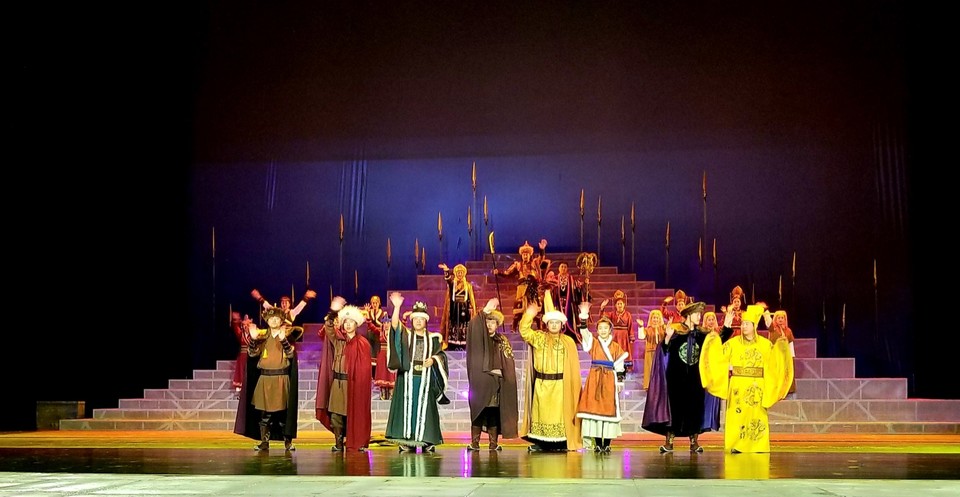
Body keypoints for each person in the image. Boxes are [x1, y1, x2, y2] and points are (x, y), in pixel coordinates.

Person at [700, 304, 794, 453]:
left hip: (757, 386)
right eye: (743, 324)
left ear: (754, 326)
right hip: (738, 385)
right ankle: (736, 444)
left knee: (756, 416)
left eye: (747, 324)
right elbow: (718, 357)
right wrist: (712, 341)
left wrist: (782, 347)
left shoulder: (765, 345)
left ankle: (758, 445)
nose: (743, 326)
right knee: (737, 416)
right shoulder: (733, 343)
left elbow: (774, 362)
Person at [641, 300, 732, 453]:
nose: (699, 317)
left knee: (695, 408)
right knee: (674, 408)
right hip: (676, 378)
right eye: (697, 314)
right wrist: (667, 338)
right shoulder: (676, 331)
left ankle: (694, 441)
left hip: (696, 378)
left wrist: (727, 327)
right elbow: (664, 350)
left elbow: (716, 343)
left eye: (700, 314)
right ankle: (669, 441)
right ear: (689, 315)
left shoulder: (702, 334)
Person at [518, 289, 583, 452]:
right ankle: (541, 443)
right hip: (542, 384)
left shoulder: (568, 342)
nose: (554, 325)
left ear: (562, 325)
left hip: (560, 385)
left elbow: (573, 367)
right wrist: (529, 314)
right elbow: (524, 331)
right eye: (551, 323)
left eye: (557, 323)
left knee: (560, 415)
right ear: (547, 325)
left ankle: (561, 443)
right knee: (541, 414)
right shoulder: (539, 337)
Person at [384, 292, 449, 453]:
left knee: (426, 411)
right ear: (412, 321)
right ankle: (407, 441)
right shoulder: (406, 335)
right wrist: (397, 307)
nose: (418, 321)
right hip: (407, 379)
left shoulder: (433, 339)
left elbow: (441, 355)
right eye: (416, 319)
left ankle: (427, 440)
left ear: (426, 321)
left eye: (421, 319)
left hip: (425, 381)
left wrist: (433, 359)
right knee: (407, 410)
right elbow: (394, 327)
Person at [233, 306, 303, 452]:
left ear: (281, 320)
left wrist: (283, 340)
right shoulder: (262, 337)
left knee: (283, 414)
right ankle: (264, 442)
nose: (274, 321)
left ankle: (287, 442)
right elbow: (252, 354)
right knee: (264, 415)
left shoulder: (288, 335)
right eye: (271, 319)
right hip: (265, 379)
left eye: (277, 318)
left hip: (281, 379)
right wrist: (253, 340)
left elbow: (291, 355)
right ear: (267, 320)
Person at [315, 296, 373, 452]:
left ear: (356, 324)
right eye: (345, 322)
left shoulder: (363, 344)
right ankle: (339, 443)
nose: (347, 325)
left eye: (351, 322)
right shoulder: (338, 340)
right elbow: (328, 328)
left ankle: (356, 440)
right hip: (337, 383)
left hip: (353, 384)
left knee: (353, 414)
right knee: (336, 415)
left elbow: (365, 369)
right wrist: (333, 312)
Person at [465, 297, 519, 451]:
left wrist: (502, 374)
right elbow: (473, 325)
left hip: (495, 384)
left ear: (497, 325)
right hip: (479, 384)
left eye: (493, 322)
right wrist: (485, 311)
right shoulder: (478, 339)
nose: (489, 325)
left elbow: (507, 362)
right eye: (487, 321)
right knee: (478, 412)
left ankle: (493, 444)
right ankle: (474, 443)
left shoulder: (501, 340)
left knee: (493, 412)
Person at [575, 302, 627, 453]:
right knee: (594, 409)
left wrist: (619, 382)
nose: (603, 330)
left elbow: (620, 365)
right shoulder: (594, 343)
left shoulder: (615, 347)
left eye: (606, 328)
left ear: (610, 330)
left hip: (609, 378)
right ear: (597, 330)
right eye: (600, 328)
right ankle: (598, 443)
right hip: (595, 378)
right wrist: (584, 317)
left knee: (608, 409)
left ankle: (607, 443)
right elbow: (584, 333)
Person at [493, 239, 551, 332]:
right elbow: (507, 273)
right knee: (519, 308)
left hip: (532, 288)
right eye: (524, 254)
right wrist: (498, 272)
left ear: (530, 255)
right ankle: (514, 327)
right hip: (522, 288)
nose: (525, 256)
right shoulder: (518, 265)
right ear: (521, 255)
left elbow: (541, 259)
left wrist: (542, 249)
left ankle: (539, 327)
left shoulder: (534, 263)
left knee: (535, 307)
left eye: (527, 254)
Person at [545, 262, 591, 344]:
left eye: (565, 267)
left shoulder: (572, 279)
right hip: (558, 304)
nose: (563, 268)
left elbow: (579, 290)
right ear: (559, 268)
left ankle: (571, 338)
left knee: (570, 320)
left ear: (567, 269)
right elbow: (549, 291)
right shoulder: (554, 279)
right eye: (562, 266)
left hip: (569, 304)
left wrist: (585, 284)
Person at [438, 262, 477, 351]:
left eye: (461, 273)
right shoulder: (453, 284)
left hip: (464, 309)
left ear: (464, 274)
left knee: (464, 325)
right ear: (455, 273)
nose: (460, 274)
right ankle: (453, 344)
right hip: (454, 308)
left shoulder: (468, 285)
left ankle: (463, 344)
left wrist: (471, 308)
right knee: (454, 324)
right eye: (458, 272)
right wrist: (446, 271)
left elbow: (471, 299)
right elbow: (448, 280)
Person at [363, 295, 396, 400]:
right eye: (384, 323)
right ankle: (383, 393)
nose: (386, 325)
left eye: (388, 323)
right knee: (382, 373)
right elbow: (371, 326)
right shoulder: (380, 331)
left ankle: (391, 393)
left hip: (390, 354)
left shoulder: (393, 333)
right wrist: (368, 315)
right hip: (382, 354)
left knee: (389, 373)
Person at [598, 290, 635, 375]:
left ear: (624, 304)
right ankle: (613, 368)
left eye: (621, 303)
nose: (619, 305)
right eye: (618, 304)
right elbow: (603, 318)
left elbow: (630, 326)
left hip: (624, 337)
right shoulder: (612, 314)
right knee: (614, 351)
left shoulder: (628, 315)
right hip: (615, 336)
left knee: (623, 351)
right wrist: (602, 308)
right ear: (615, 305)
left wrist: (631, 337)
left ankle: (623, 370)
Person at [765, 309, 797, 398]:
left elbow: (790, 344)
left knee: (785, 374)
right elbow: (768, 320)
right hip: (775, 355)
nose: (780, 320)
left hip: (785, 356)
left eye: (782, 318)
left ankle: (786, 391)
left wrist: (792, 356)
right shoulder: (773, 328)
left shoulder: (788, 331)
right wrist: (766, 312)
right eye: (778, 318)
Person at [251, 288, 318, 329]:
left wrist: (306, 297)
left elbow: (300, 307)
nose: (284, 304)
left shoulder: (291, 313)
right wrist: (259, 297)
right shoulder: (277, 311)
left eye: (286, 302)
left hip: (287, 336)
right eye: (282, 302)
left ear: (289, 304)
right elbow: (267, 305)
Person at [636, 309, 670, 390]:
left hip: (661, 352)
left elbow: (669, 336)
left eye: (657, 318)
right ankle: (649, 386)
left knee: (661, 369)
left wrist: (669, 326)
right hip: (650, 352)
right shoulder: (648, 329)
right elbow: (641, 336)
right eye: (654, 318)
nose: (655, 320)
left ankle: (662, 385)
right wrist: (641, 326)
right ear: (651, 319)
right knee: (650, 369)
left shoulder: (663, 328)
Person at [230, 311, 253, 394]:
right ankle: (239, 385)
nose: (246, 327)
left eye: (248, 325)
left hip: (251, 354)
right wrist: (237, 320)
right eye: (245, 325)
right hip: (242, 354)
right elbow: (235, 326)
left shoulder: (253, 335)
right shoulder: (241, 334)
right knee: (240, 369)